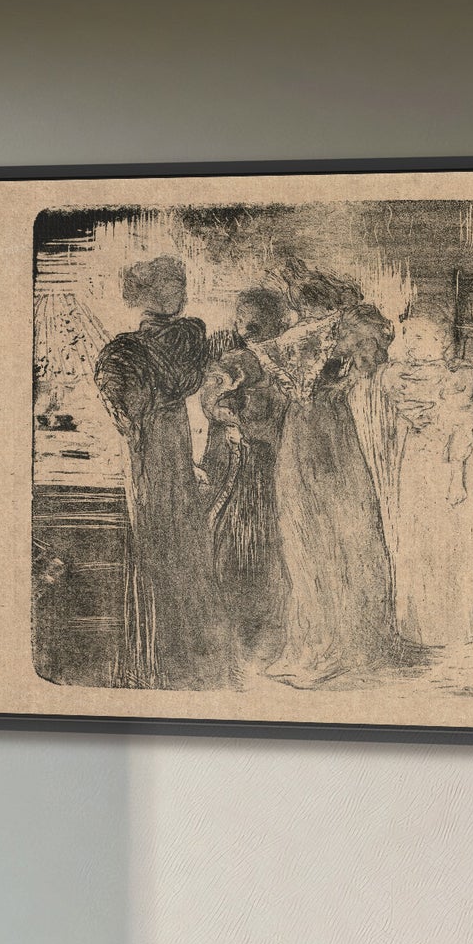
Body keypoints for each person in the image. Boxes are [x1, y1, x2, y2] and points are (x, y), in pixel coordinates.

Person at [93, 256, 234, 689]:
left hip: (154, 445)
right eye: (174, 287)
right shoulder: (183, 340)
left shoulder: (129, 349)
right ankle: (180, 653)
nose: (181, 294)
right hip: (160, 443)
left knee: (163, 534)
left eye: (181, 286)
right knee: (171, 535)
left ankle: (165, 653)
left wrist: (131, 416)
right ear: (156, 295)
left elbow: (122, 402)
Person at [260, 302, 411, 688]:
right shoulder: (308, 349)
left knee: (346, 543)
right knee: (307, 547)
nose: (379, 357)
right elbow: (296, 386)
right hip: (307, 444)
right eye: (373, 346)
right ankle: (307, 646)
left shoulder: (339, 360)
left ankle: (341, 647)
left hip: (335, 445)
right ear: (350, 337)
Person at [379, 317, 473, 646]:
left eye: (419, 335)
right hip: (417, 461)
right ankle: (418, 626)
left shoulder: (460, 377)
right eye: (406, 335)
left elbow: (462, 428)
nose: (410, 342)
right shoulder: (398, 374)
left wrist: (456, 479)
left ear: (441, 340)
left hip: (452, 465)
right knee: (418, 537)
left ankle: (457, 625)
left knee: (453, 540)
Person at [200, 287, 290, 656]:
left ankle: (252, 622)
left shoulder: (264, 358)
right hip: (241, 459)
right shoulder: (246, 359)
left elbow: (215, 400)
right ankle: (245, 622)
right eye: (243, 317)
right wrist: (234, 420)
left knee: (253, 535)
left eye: (250, 318)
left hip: (260, 460)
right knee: (241, 533)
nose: (246, 325)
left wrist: (237, 420)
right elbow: (213, 401)